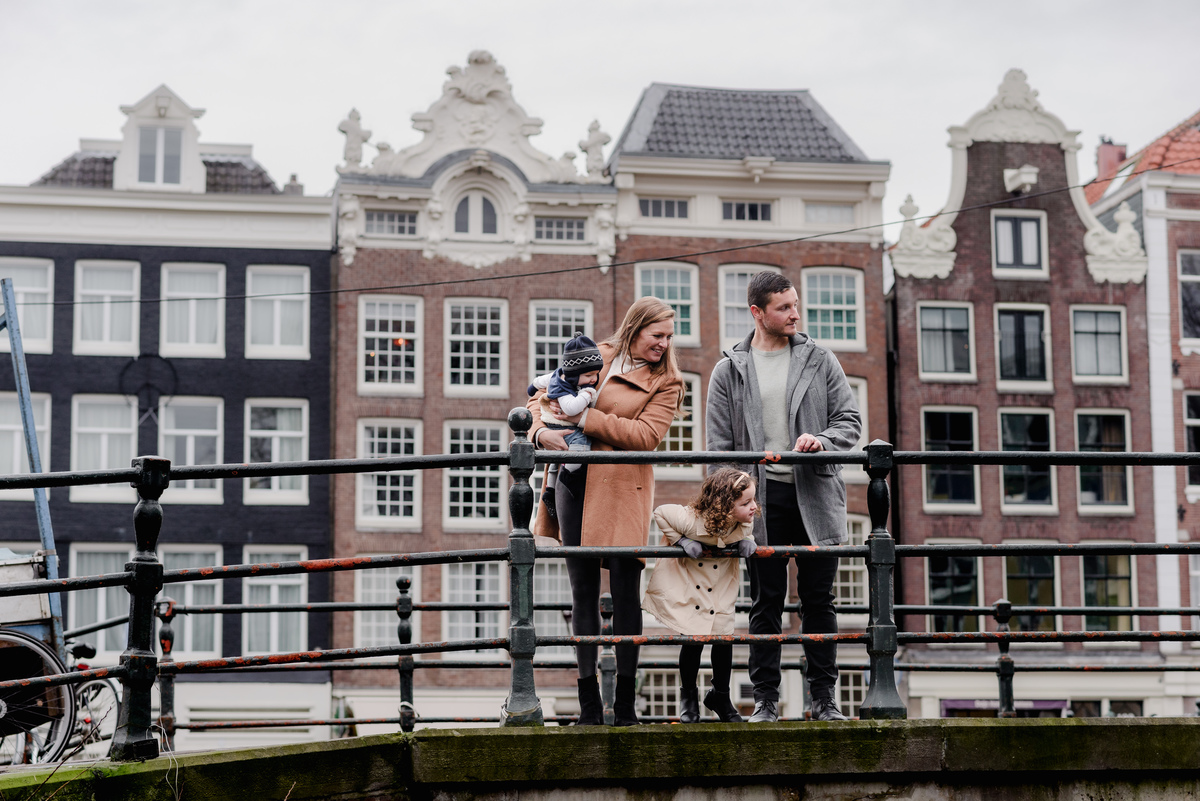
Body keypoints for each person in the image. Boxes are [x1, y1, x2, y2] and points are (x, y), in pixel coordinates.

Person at [706, 270, 861, 723]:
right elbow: (718, 450)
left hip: (815, 494)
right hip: (760, 502)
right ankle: (766, 702)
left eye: (795, 304)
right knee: (765, 601)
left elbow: (849, 421)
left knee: (820, 601)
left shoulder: (820, 359)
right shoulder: (727, 370)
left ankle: (823, 700)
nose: (796, 314)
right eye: (784, 308)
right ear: (758, 312)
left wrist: (821, 440)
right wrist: (731, 509)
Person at [528, 296, 684, 726]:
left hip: (622, 489)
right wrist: (542, 434)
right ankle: (589, 708)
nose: (664, 344)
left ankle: (627, 709)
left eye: (669, 336)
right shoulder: (597, 353)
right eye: (658, 335)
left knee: (625, 590)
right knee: (581, 592)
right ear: (635, 329)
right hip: (573, 482)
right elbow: (537, 400)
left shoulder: (666, 381)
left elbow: (646, 435)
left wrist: (584, 420)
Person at [642, 468, 759, 723]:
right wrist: (681, 541)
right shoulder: (690, 519)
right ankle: (688, 696)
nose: (754, 507)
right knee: (693, 642)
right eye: (746, 502)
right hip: (692, 587)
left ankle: (720, 694)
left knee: (723, 641)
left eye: (753, 500)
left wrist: (747, 539)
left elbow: (744, 531)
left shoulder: (743, 522)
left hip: (721, 589)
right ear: (725, 505)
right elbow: (660, 512)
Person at [526, 333, 604, 519]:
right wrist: (587, 394)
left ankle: (550, 489)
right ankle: (569, 478)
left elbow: (539, 382)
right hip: (565, 428)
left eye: (595, 374)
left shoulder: (557, 375)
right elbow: (570, 409)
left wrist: (531, 388)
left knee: (555, 461)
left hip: (554, 426)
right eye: (588, 375)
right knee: (581, 445)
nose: (593, 379)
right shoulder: (564, 389)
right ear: (574, 374)